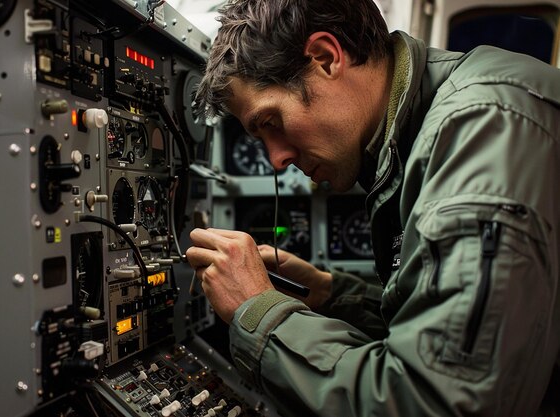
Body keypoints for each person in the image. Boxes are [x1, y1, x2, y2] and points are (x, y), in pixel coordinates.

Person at [185, 0, 560, 415]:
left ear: (326, 59)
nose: (276, 159)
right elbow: (438, 331)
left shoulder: (483, 130)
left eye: (271, 122)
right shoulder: (423, 133)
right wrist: (331, 295)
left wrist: (256, 311)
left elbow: (436, 401)